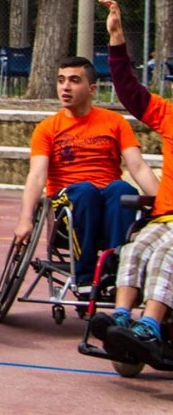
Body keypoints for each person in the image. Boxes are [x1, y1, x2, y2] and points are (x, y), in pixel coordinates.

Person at [16, 55, 158, 292]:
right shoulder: (47, 128)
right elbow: (37, 176)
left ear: (91, 89)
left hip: (108, 202)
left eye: (74, 80)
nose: (65, 87)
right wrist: (25, 219)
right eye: (61, 80)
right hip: (68, 201)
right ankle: (83, 275)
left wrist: (166, 207)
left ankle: (114, 271)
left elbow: (138, 167)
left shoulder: (115, 122)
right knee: (85, 191)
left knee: (123, 189)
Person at [87, 0, 173, 365]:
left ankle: (150, 325)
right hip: (165, 217)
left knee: (168, 255)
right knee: (134, 249)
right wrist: (117, 38)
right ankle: (121, 319)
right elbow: (129, 91)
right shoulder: (170, 115)